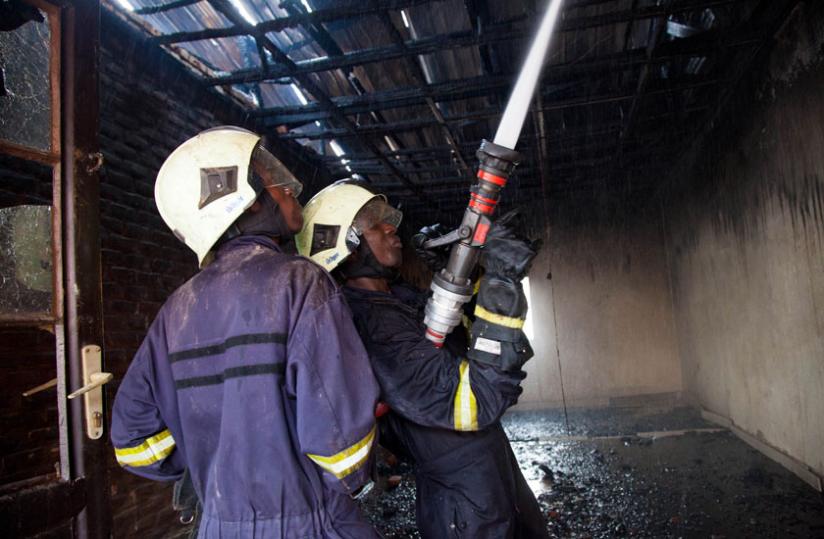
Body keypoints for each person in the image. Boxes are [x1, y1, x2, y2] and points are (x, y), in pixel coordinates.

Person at [110, 127, 381, 538]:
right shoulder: (299, 283)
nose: (291, 189)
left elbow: (133, 443)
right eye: (274, 180)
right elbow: (345, 456)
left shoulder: (176, 309)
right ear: (245, 197)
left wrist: (215, 465)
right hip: (306, 522)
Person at [296, 182, 548, 538]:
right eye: (373, 223)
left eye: (387, 219)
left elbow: (465, 343)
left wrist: (469, 277)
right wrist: (501, 281)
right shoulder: (370, 327)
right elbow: (476, 399)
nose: (390, 229)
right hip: (464, 502)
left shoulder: (398, 300)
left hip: (489, 471)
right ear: (341, 247)